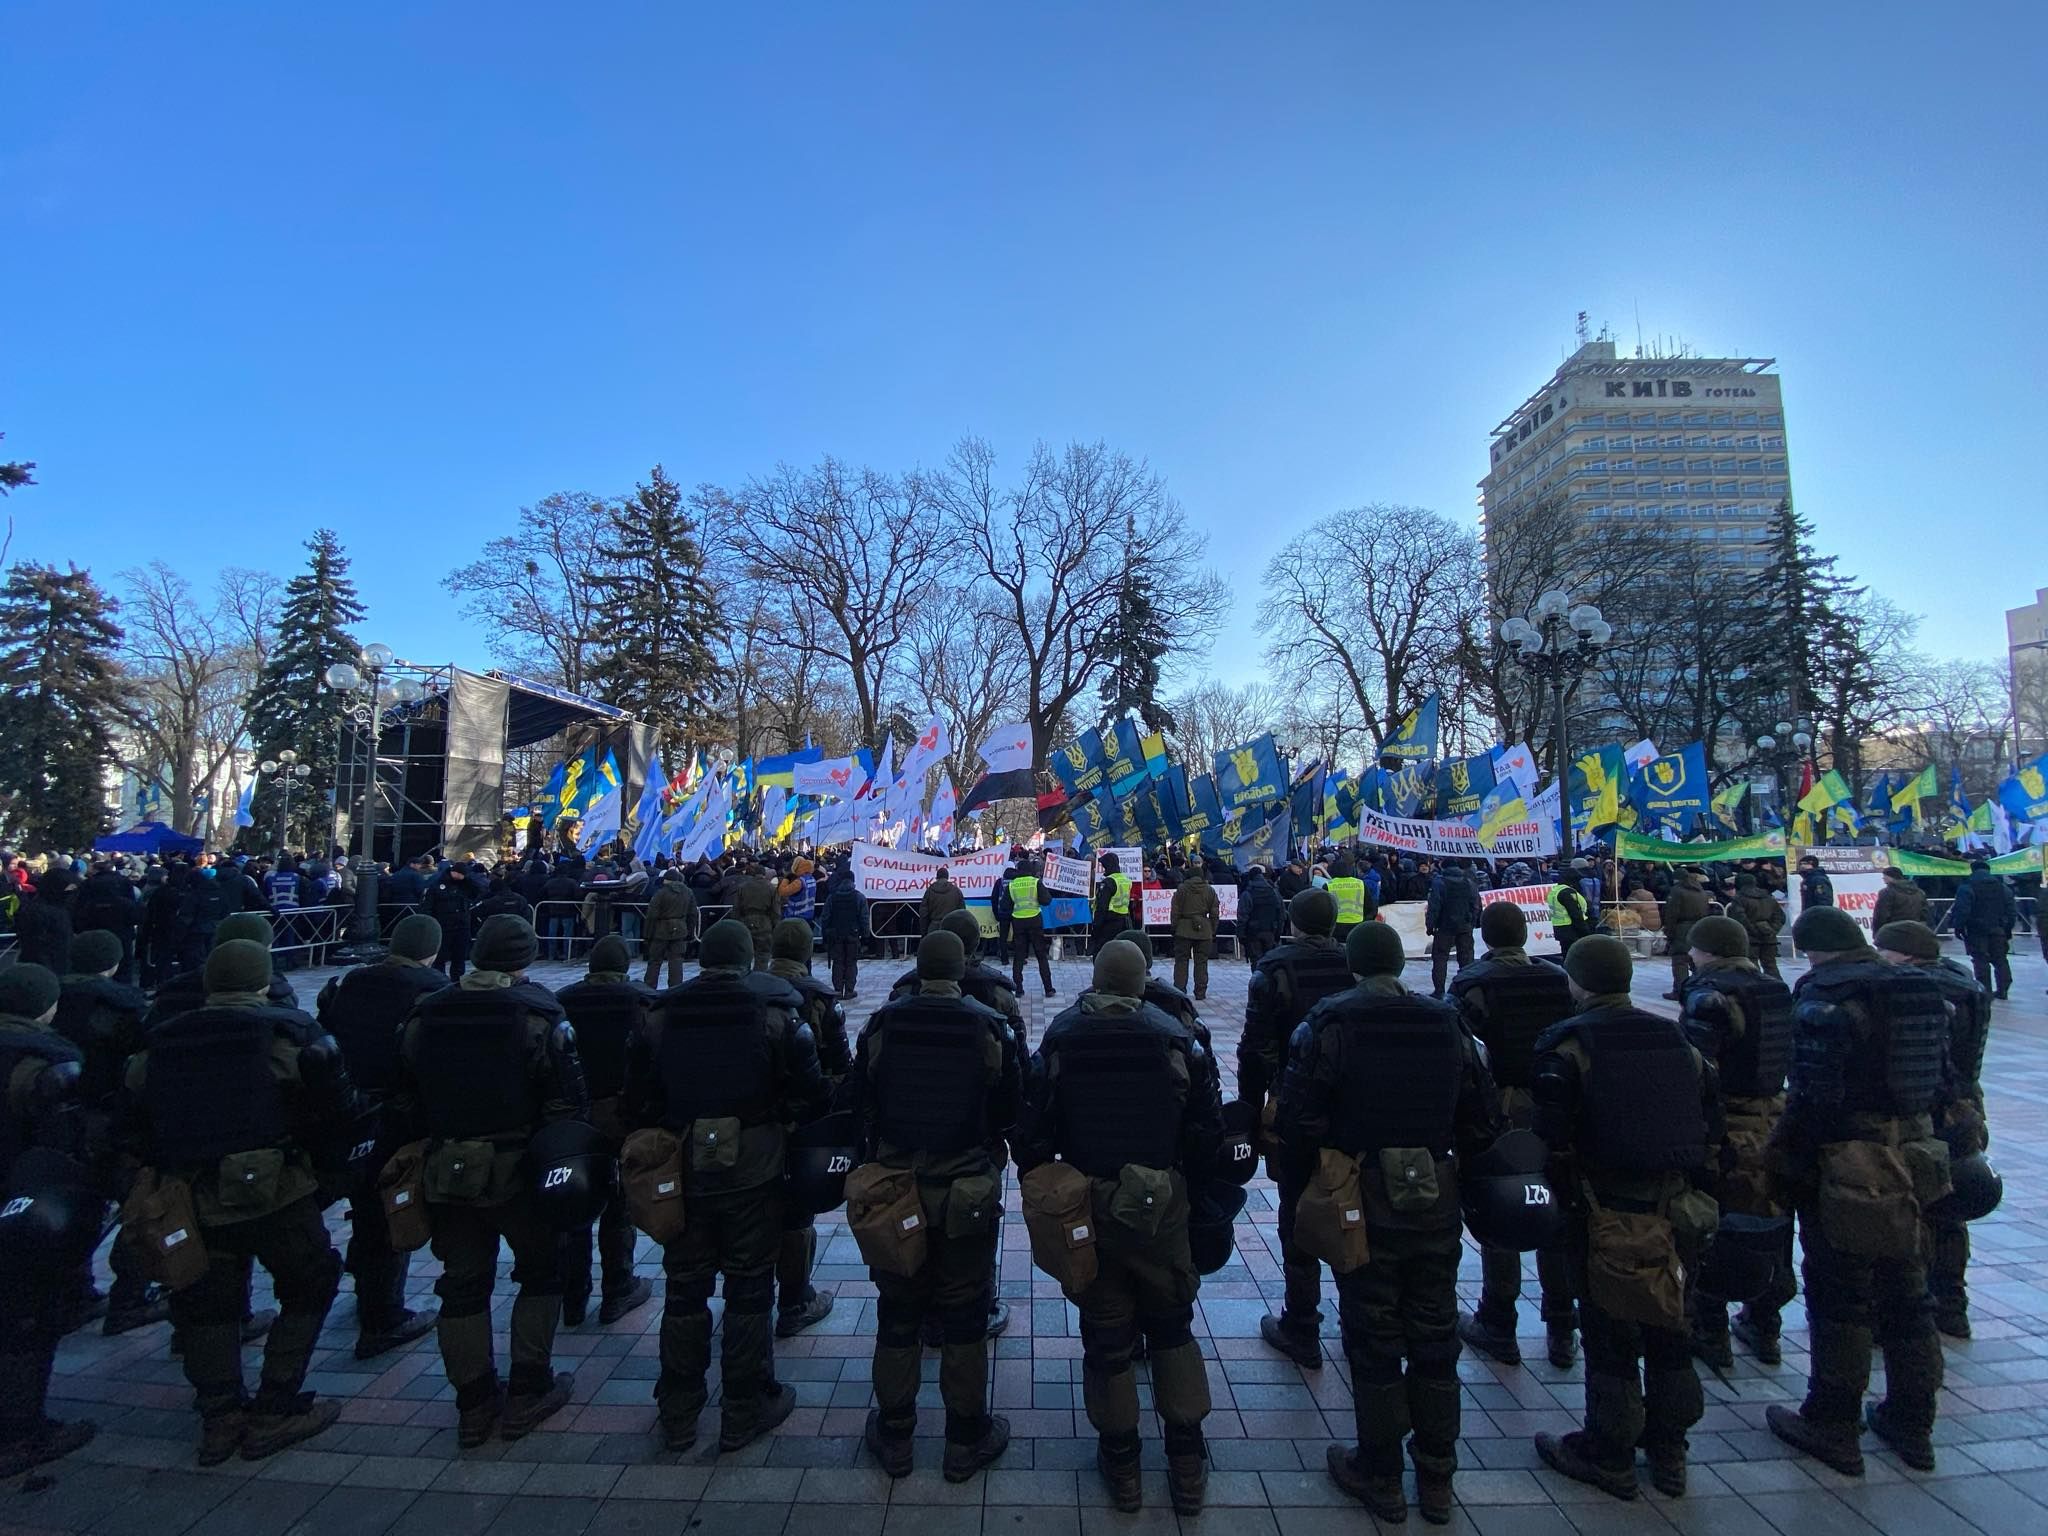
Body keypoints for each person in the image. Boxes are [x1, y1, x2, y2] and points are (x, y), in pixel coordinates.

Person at [1280, 921, 1502, 1524]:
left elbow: (1302, 1115)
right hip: (1434, 1192)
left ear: (1353, 964)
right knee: (1435, 1333)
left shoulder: (1332, 1022)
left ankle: (1380, 1472)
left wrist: (1307, 1183)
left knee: (1373, 1335)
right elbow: (1482, 1118)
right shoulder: (1448, 1021)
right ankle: (1436, 1476)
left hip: (1363, 1190)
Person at [122, 940, 357, 1465]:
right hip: (276, 1185)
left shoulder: (160, 1041)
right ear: (261, 981)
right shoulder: (283, 1036)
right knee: (310, 1280)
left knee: (205, 1298)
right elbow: (333, 1106)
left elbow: (133, 1114)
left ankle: (219, 1412)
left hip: (188, 1192)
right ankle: (276, 1403)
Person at [1014, 940, 1223, 1515]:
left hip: (1091, 1207)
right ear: (1142, 982)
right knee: (1173, 1327)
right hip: (1163, 1206)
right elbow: (1208, 1133)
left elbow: (1032, 1133)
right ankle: (1186, 1462)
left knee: (1108, 1339)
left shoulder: (1062, 1036)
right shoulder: (1177, 1037)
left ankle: (1123, 1462)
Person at [624, 920, 828, 1452]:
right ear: (746, 960)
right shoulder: (775, 1016)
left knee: (685, 1289)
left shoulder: (660, 1014)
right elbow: (809, 1093)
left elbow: (638, 1100)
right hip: (754, 1169)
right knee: (749, 1288)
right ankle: (743, 1407)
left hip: (682, 1167)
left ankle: (678, 1411)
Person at [1530, 936, 1721, 1501]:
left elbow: (1550, 1140)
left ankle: (1610, 1450)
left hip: (1604, 1211)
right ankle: (1670, 1453)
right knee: (1670, 1327)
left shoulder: (1569, 1046)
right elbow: (1711, 1126)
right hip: (1676, 1211)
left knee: (1611, 1335)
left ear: (1580, 981)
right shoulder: (1677, 1039)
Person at [1764, 906, 1950, 1476]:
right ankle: (1913, 1423)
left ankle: (1833, 1421)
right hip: (1918, 1151)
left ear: (1815, 948)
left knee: (1842, 1289)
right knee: (1909, 1289)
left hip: (1851, 1158)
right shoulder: (1920, 987)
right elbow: (1944, 1073)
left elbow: (1812, 1092)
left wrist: (1788, 1160)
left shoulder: (1827, 992)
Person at [391, 913, 588, 1446]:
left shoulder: (424, 1015)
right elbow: (567, 1104)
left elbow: (403, 1096)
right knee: (541, 1272)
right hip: (519, 1168)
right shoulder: (537, 1016)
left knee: (461, 1285)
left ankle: (473, 1404)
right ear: (524, 958)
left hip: (447, 1169)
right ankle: (528, 1387)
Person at [848, 929, 1019, 1481]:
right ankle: (965, 1439)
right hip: (965, 1186)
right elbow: (1012, 1106)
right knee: (965, 1314)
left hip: (897, 1186)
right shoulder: (987, 1026)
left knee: (898, 1311)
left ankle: (896, 1435)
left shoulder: (884, 1023)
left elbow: (858, 1100)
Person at [1448, 901, 1579, 1369]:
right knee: (1556, 1205)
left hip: (1498, 1104)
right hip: (1553, 1102)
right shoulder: (1556, 977)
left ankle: (1498, 1318)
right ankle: (1562, 1325)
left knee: (1499, 1203)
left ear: (1484, 935)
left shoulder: (1473, 981)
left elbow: (1458, 1048)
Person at [312, 914, 448, 1360]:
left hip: (343, 1112)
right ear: (431, 949)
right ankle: (382, 1313)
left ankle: (365, 1280)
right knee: (389, 1206)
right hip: (397, 1114)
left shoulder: (351, 982)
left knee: (363, 1202)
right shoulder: (431, 991)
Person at [1238, 888, 1356, 1367]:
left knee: (1296, 1207)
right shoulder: (1356, 962)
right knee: (1356, 1207)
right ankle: (1356, 1320)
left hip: (1295, 1100)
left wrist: (1249, 1109)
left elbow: (1256, 1047)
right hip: (1353, 1104)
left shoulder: (1275, 968)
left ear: (1295, 919)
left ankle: (1302, 1321)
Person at [1676, 915, 1797, 1369]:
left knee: (1715, 1219)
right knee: (1772, 1220)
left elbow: (1698, 1069)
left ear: (1706, 951)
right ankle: (1765, 1325)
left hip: (1728, 1123)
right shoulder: (1776, 988)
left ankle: (1711, 1330)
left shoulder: (1711, 995)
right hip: (1777, 1115)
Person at [0, 964, 100, 1477]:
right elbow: (63, 1142)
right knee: (26, 1320)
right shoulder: (46, 1061)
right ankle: (20, 1431)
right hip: (22, 1200)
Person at [1875, 919, 1989, 1340]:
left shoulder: (1918, 990)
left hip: (1929, 1113)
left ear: (1903, 954)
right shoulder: (1964, 981)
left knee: (1915, 1207)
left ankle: (1913, 1305)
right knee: (1951, 1209)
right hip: (1966, 1108)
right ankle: (1952, 1304)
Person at [54, 929, 159, 1335]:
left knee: (70, 1208)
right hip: (111, 1121)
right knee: (141, 1208)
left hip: (56, 1127)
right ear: (112, 962)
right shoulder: (121, 1006)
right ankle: (130, 1297)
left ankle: (71, 1294)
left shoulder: (49, 998)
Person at [553, 935, 657, 1328]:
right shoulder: (638, 1001)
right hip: (623, 1111)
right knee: (619, 1201)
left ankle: (573, 1295)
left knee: (574, 1203)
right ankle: (618, 1287)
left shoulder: (560, 1000)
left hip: (572, 1117)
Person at [765, 918, 851, 1338]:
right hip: (800, 1124)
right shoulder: (817, 997)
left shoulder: (749, 991)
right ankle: (795, 1300)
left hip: (748, 1132)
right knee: (796, 1218)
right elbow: (839, 1066)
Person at [1950, 858, 2017, 1000]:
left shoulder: (1967, 886)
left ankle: (1984, 990)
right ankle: (2003, 989)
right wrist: (2008, 928)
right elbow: (2011, 910)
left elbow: (1962, 910)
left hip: (1976, 929)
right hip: (1998, 928)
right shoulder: (2002, 887)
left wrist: (1958, 927)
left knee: (1980, 960)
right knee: (2000, 959)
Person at [1424, 862, 1481, 998]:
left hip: (1445, 926)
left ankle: (1439, 991)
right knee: (1466, 960)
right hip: (1465, 927)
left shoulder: (1439, 882)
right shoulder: (1469, 882)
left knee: (1440, 958)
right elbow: (1475, 904)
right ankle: (1466, 990)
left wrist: (1430, 925)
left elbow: (1434, 906)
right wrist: (1471, 922)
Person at [1660, 867, 1712, 1000]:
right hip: (1698, 927)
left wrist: (1669, 932)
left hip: (1681, 929)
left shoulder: (1677, 891)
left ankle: (1680, 990)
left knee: (1680, 961)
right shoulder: (1701, 891)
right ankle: (1699, 988)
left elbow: (1672, 914)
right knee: (1696, 961)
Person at [422, 862, 480, 981]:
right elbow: (428, 904)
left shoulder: (465, 885)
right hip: (443, 924)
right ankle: (439, 978)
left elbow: (479, 890)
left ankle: (457, 978)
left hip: (462, 925)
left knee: (459, 955)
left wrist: (467, 879)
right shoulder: (438, 884)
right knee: (441, 956)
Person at [1007, 857, 1055, 999]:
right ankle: (1048, 988)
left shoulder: (1012, 885)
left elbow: (1005, 906)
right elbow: (1047, 900)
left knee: (1019, 955)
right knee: (1041, 955)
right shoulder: (1036, 882)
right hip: (1035, 920)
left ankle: (1019, 988)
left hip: (1018, 922)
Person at [1170, 861, 1219, 999]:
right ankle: (1200, 992)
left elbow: (1175, 911)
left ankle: (1179, 990)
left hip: (1183, 928)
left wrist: (1174, 927)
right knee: (1202, 961)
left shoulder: (1182, 889)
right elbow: (1215, 912)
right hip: (1204, 929)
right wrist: (1213, 929)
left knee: (1181, 961)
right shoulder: (1210, 890)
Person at [820, 860, 867, 999]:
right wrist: (865, 935)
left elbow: (825, 917)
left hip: (835, 935)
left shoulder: (832, 897)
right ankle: (850, 990)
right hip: (853, 934)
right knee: (851, 962)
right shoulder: (859, 897)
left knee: (838, 962)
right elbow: (864, 917)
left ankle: (838, 990)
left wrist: (825, 934)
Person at [644, 869, 698, 989]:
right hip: (680, 929)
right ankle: (675, 988)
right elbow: (693, 914)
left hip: (661, 930)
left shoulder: (661, 893)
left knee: (655, 961)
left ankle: (649, 988)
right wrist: (690, 931)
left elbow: (652, 915)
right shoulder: (688, 892)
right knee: (676, 961)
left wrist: (647, 935)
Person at [1729, 873, 1786, 980]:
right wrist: (1772, 930)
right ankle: (1778, 989)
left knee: (1751, 967)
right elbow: (1780, 917)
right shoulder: (1768, 897)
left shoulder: (1740, 899)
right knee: (1771, 966)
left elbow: (1739, 918)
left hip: (1749, 938)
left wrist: (1753, 930)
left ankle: (1756, 990)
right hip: (1769, 937)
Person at [731, 863, 783, 969]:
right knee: (763, 956)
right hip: (764, 923)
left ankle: (744, 978)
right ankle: (759, 979)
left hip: (745, 922)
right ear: (764, 874)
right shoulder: (771, 888)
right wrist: (776, 926)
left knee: (745, 954)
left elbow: (736, 908)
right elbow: (775, 910)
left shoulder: (743, 887)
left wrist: (736, 923)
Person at [1238, 863, 1283, 965]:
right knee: (1269, 962)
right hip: (1270, 931)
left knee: (1256, 962)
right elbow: (1280, 914)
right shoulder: (1273, 891)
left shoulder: (1247, 893)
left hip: (1253, 932)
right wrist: (1278, 932)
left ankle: (1258, 980)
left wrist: (1241, 934)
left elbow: (1242, 916)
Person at [1091, 853, 1133, 954]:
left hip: (1109, 921)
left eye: (1104, 866)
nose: (1103, 868)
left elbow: (1102, 906)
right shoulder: (1126, 880)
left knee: (1102, 953)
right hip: (1124, 921)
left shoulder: (1108, 882)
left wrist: (1096, 926)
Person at [1545, 874, 1595, 955]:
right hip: (1573, 930)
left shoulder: (1554, 891)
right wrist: (1586, 932)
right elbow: (1575, 914)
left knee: (1566, 956)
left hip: (1560, 929)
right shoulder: (1568, 892)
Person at [1871, 867, 1928, 934]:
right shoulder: (1919, 892)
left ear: (1890, 876)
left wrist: (1877, 932)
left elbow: (1881, 915)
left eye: (1884, 876)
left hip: (1893, 931)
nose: (1883, 878)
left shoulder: (1887, 892)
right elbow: (1924, 914)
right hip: (1914, 931)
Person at [1324, 857, 1369, 942]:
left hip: (1336, 926)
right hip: (1357, 924)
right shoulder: (1360, 884)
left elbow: (1324, 909)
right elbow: (1369, 906)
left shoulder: (1328, 885)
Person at [923, 865, 966, 934]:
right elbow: (962, 913)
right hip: (951, 929)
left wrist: (924, 932)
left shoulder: (929, 891)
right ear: (947, 877)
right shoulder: (956, 891)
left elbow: (924, 914)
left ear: (937, 877)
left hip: (933, 929)